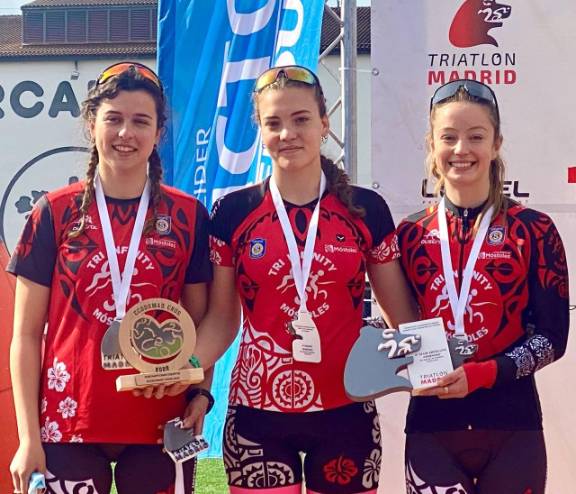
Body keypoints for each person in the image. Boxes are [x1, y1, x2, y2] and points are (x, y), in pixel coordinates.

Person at [187, 65, 417, 494]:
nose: (287, 133)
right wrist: (186, 369)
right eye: (273, 123)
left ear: (324, 124)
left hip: (348, 408)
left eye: (301, 119)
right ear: (260, 130)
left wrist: (437, 367)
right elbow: (221, 319)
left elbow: (400, 315)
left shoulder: (366, 209)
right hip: (257, 413)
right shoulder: (232, 212)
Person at [8, 62, 212, 494]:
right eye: (114, 119)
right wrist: (28, 437)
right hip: (68, 421)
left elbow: (200, 325)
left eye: (141, 121)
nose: (125, 133)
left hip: (163, 422)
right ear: (91, 125)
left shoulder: (188, 215)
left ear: (158, 133)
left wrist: (200, 394)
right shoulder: (53, 212)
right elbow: (25, 335)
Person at [397, 79, 570, 494]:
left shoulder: (534, 230)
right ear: (432, 146)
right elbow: (394, 322)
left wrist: (483, 374)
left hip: (513, 428)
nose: (462, 149)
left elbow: (552, 338)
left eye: (476, 136)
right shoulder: (409, 234)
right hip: (432, 428)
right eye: (449, 137)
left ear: (496, 145)